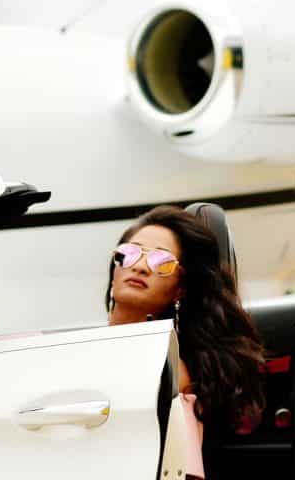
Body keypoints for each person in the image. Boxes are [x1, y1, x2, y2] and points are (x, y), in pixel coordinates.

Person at [106, 205, 265, 479]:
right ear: (115, 265)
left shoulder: (171, 371)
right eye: (129, 253)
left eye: (161, 262)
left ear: (180, 289)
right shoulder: (76, 348)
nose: (141, 266)